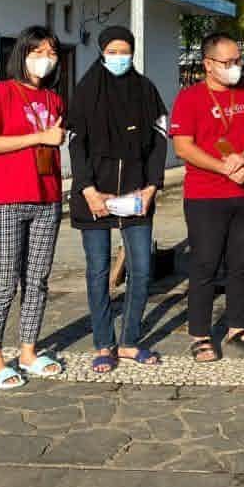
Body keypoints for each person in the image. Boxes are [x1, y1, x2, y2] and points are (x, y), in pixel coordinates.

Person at [67, 26, 167, 374]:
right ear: (101, 52)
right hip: (94, 195)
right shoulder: (86, 90)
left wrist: (152, 187)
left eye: (125, 52)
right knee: (98, 271)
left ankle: (129, 341)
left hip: (137, 195)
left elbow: (159, 141)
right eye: (112, 52)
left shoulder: (146, 90)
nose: (119, 58)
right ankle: (103, 343)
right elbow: (76, 143)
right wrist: (88, 190)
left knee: (141, 269)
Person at [170, 33, 244, 362]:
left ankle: (237, 326)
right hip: (206, 195)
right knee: (205, 264)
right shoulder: (190, 98)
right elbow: (183, 146)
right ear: (208, 64)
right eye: (227, 62)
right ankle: (200, 333)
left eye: (237, 60)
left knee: (241, 263)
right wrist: (223, 168)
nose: (234, 67)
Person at [0, 25, 66, 388]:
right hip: (7, 200)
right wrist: (40, 137)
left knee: (37, 281)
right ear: (22, 54)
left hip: (46, 198)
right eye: (38, 52)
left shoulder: (54, 99)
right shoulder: (1, 92)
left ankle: (28, 351)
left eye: (52, 53)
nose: (46, 59)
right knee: (4, 282)